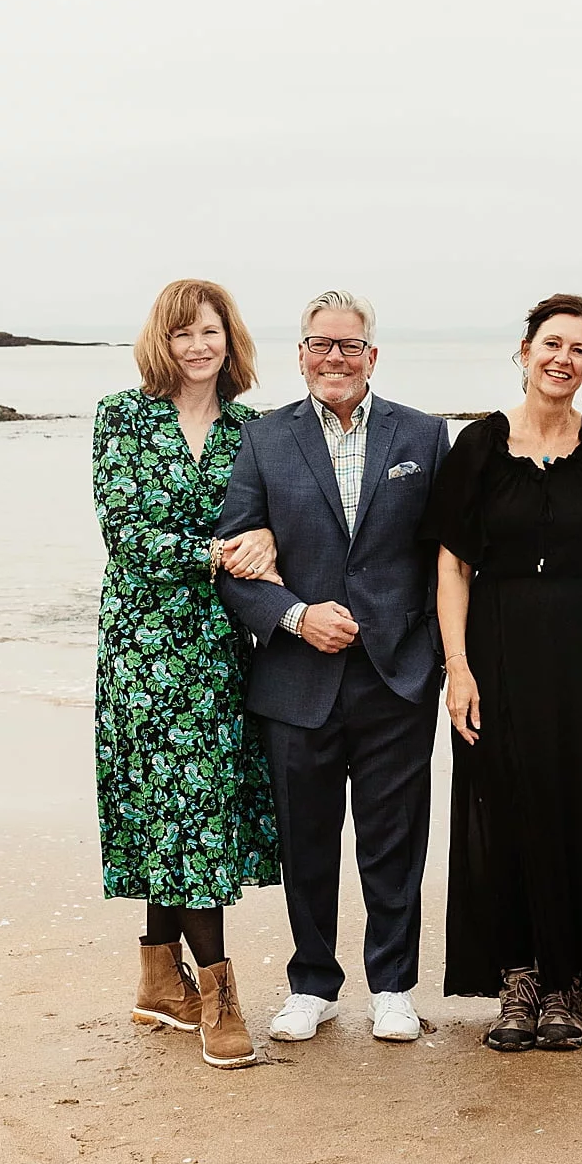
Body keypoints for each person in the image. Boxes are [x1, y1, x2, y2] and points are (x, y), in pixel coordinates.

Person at [214, 290, 450, 1047]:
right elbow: (234, 561)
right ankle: (311, 983)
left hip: (396, 677)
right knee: (306, 841)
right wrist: (295, 614)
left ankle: (392, 986)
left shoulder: (423, 434)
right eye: (321, 345)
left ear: (372, 356)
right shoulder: (264, 439)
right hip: (296, 678)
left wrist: (442, 660)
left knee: (393, 842)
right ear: (302, 354)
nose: (335, 359)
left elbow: (447, 557)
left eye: (350, 346)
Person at [430, 295, 582, 1053]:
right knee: (502, 805)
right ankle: (516, 979)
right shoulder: (479, 446)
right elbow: (452, 565)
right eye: (552, 344)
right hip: (498, 650)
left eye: (579, 350)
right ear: (524, 350)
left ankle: (567, 983)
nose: (563, 359)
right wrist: (458, 666)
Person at [91, 278, 280, 1070]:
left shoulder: (256, 430)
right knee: (174, 805)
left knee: (189, 804)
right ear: (159, 343)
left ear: (229, 339)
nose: (198, 346)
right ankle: (218, 996)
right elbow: (124, 530)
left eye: (209, 332)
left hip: (221, 644)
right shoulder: (121, 416)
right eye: (182, 334)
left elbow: (284, 515)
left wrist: (269, 536)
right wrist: (209, 551)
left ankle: (156, 977)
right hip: (141, 645)